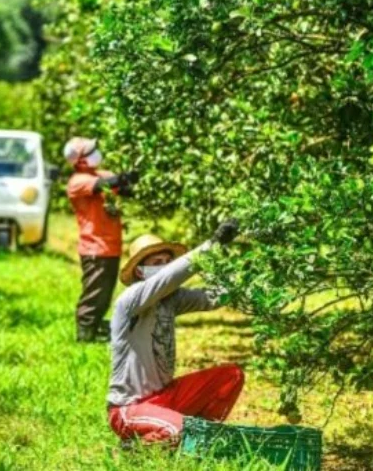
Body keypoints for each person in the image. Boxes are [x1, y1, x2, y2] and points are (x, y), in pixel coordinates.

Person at [107, 220, 244, 445]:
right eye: (157, 262)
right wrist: (212, 245)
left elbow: (214, 297)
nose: (165, 267)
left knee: (231, 376)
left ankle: (196, 437)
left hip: (166, 397)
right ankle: (135, 447)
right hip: (130, 407)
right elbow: (169, 277)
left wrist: (254, 275)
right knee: (181, 432)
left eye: (168, 262)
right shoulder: (131, 300)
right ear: (141, 271)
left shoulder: (171, 300)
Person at [63, 137, 138, 343]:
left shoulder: (101, 174)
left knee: (105, 293)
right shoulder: (77, 181)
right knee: (95, 292)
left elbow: (124, 189)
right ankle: (85, 333)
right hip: (95, 247)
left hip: (111, 246)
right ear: (80, 160)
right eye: (91, 151)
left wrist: (132, 181)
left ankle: (95, 329)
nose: (97, 153)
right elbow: (104, 185)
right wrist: (124, 177)